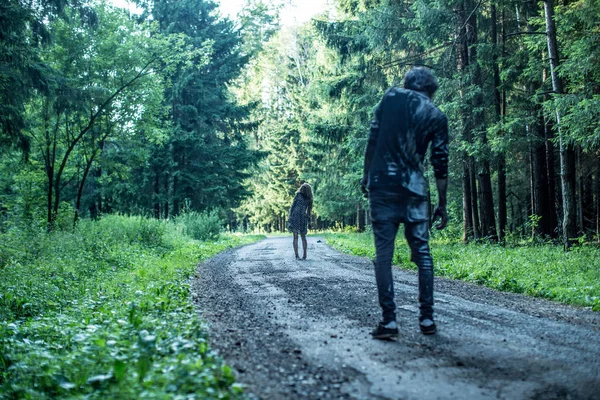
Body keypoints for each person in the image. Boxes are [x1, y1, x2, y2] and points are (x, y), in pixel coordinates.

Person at [361, 67, 449, 338]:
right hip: (414, 190)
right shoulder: (436, 115)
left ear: (407, 83)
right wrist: (442, 204)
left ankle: (389, 322)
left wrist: (367, 177)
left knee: (384, 255)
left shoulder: (389, 98)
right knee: (422, 253)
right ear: (430, 90)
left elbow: (372, 141)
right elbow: (440, 164)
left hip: (383, 186)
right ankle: (427, 319)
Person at [287, 183, 313, 260]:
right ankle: (296, 255)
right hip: (295, 217)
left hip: (303, 218)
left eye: (304, 189)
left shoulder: (309, 199)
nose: (302, 190)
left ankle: (304, 254)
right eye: (302, 188)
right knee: (295, 236)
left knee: (303, 236)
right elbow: (292, 206)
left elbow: (309, 211)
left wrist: (309, 221)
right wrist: (290, 217)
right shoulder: (298, 195)